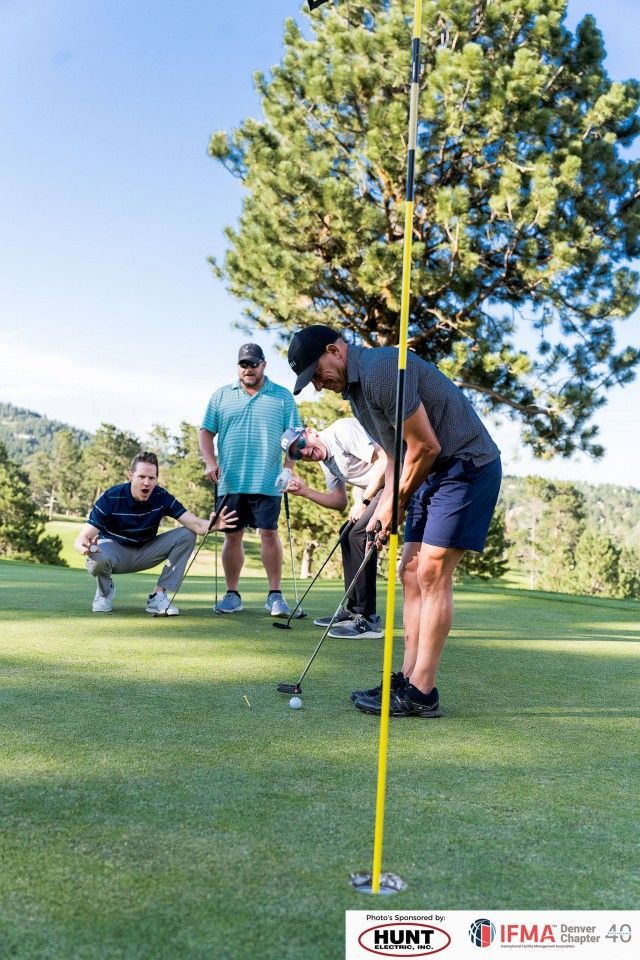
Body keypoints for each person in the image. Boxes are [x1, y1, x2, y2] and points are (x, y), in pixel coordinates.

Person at [287, 325, 502, 718]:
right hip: (431, 470)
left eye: (317, 375)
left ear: (334, 350)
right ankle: (405, 677)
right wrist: (387, 503)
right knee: (409, 570)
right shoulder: (356, 393)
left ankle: (423, 690)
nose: (318, 386)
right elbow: (393, 455)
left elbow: (426, 445)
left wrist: (395, 503)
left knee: (433, 572)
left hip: (466, 464)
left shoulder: (382, 370)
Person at [199, 342, 302, 617]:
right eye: (243, 364)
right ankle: (232, 594)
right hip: (230, 481)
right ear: (238, 366)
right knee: (232, 536)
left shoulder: (281, 396)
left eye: (253, 364)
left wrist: (288, 468)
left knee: (269, 534)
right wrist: (210, 462)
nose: (248, 369)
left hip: (269, 480)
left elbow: (294, 436)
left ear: (264, 365)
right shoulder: (221, 396)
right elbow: (205, 432)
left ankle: (275, 595)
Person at [74, 451, 237, 615]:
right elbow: (82, 538)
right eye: (141, 477)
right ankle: (104, 594)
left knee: (187, 534)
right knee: (97, 557)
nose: (146, 483)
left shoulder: (161, 496)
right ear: (131, 475)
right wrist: (85, 548)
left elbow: (196, 524)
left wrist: (214, 525)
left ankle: (158, 595)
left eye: (151, 478)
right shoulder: (110, 497)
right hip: (116, 552)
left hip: (146, 551)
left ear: (156, 479)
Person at [281, 419, 387, 639]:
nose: (306, 452)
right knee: (346, 533)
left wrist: (364, 501)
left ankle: (368, 618)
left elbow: (384, 460)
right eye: (298, 454)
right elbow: (339, 502)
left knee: (360, 533)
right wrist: (305, 491)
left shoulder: (340, 431)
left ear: (309, 432)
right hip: (373, 492)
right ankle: (352, 608)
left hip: (393, 481)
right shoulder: (325, 462)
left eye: (302, 444)